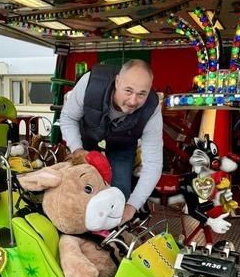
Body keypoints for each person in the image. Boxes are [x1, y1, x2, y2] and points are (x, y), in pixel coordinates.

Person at [60, 59, 163, 224]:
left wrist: (132, 206)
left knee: (120, 195)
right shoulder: (90, 83)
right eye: (128, 91)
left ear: (149, 90)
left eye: (141, 94)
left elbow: (154, 164)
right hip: (87, 138)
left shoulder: (152, 109)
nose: (133, 101)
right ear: (117, 81)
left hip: (122, 145)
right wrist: (77, 149)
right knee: (79, 187)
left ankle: (108, 240)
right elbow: (68, 118)